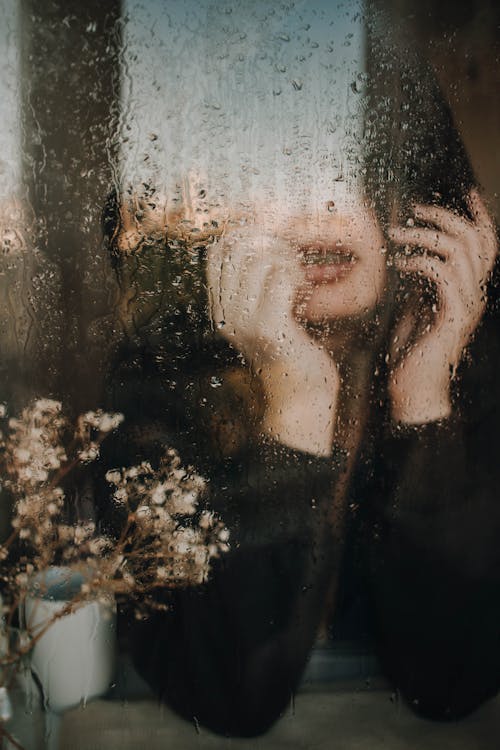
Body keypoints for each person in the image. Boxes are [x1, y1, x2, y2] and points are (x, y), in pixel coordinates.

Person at [100, 6, 499, 739]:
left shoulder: (470, 361)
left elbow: (452, 680)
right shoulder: (160, 375)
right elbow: (228, 694)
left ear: (407, 188)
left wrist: (424, 396)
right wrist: (296, 400)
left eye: (343, 164)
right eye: (262, 171)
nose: (310, 207)